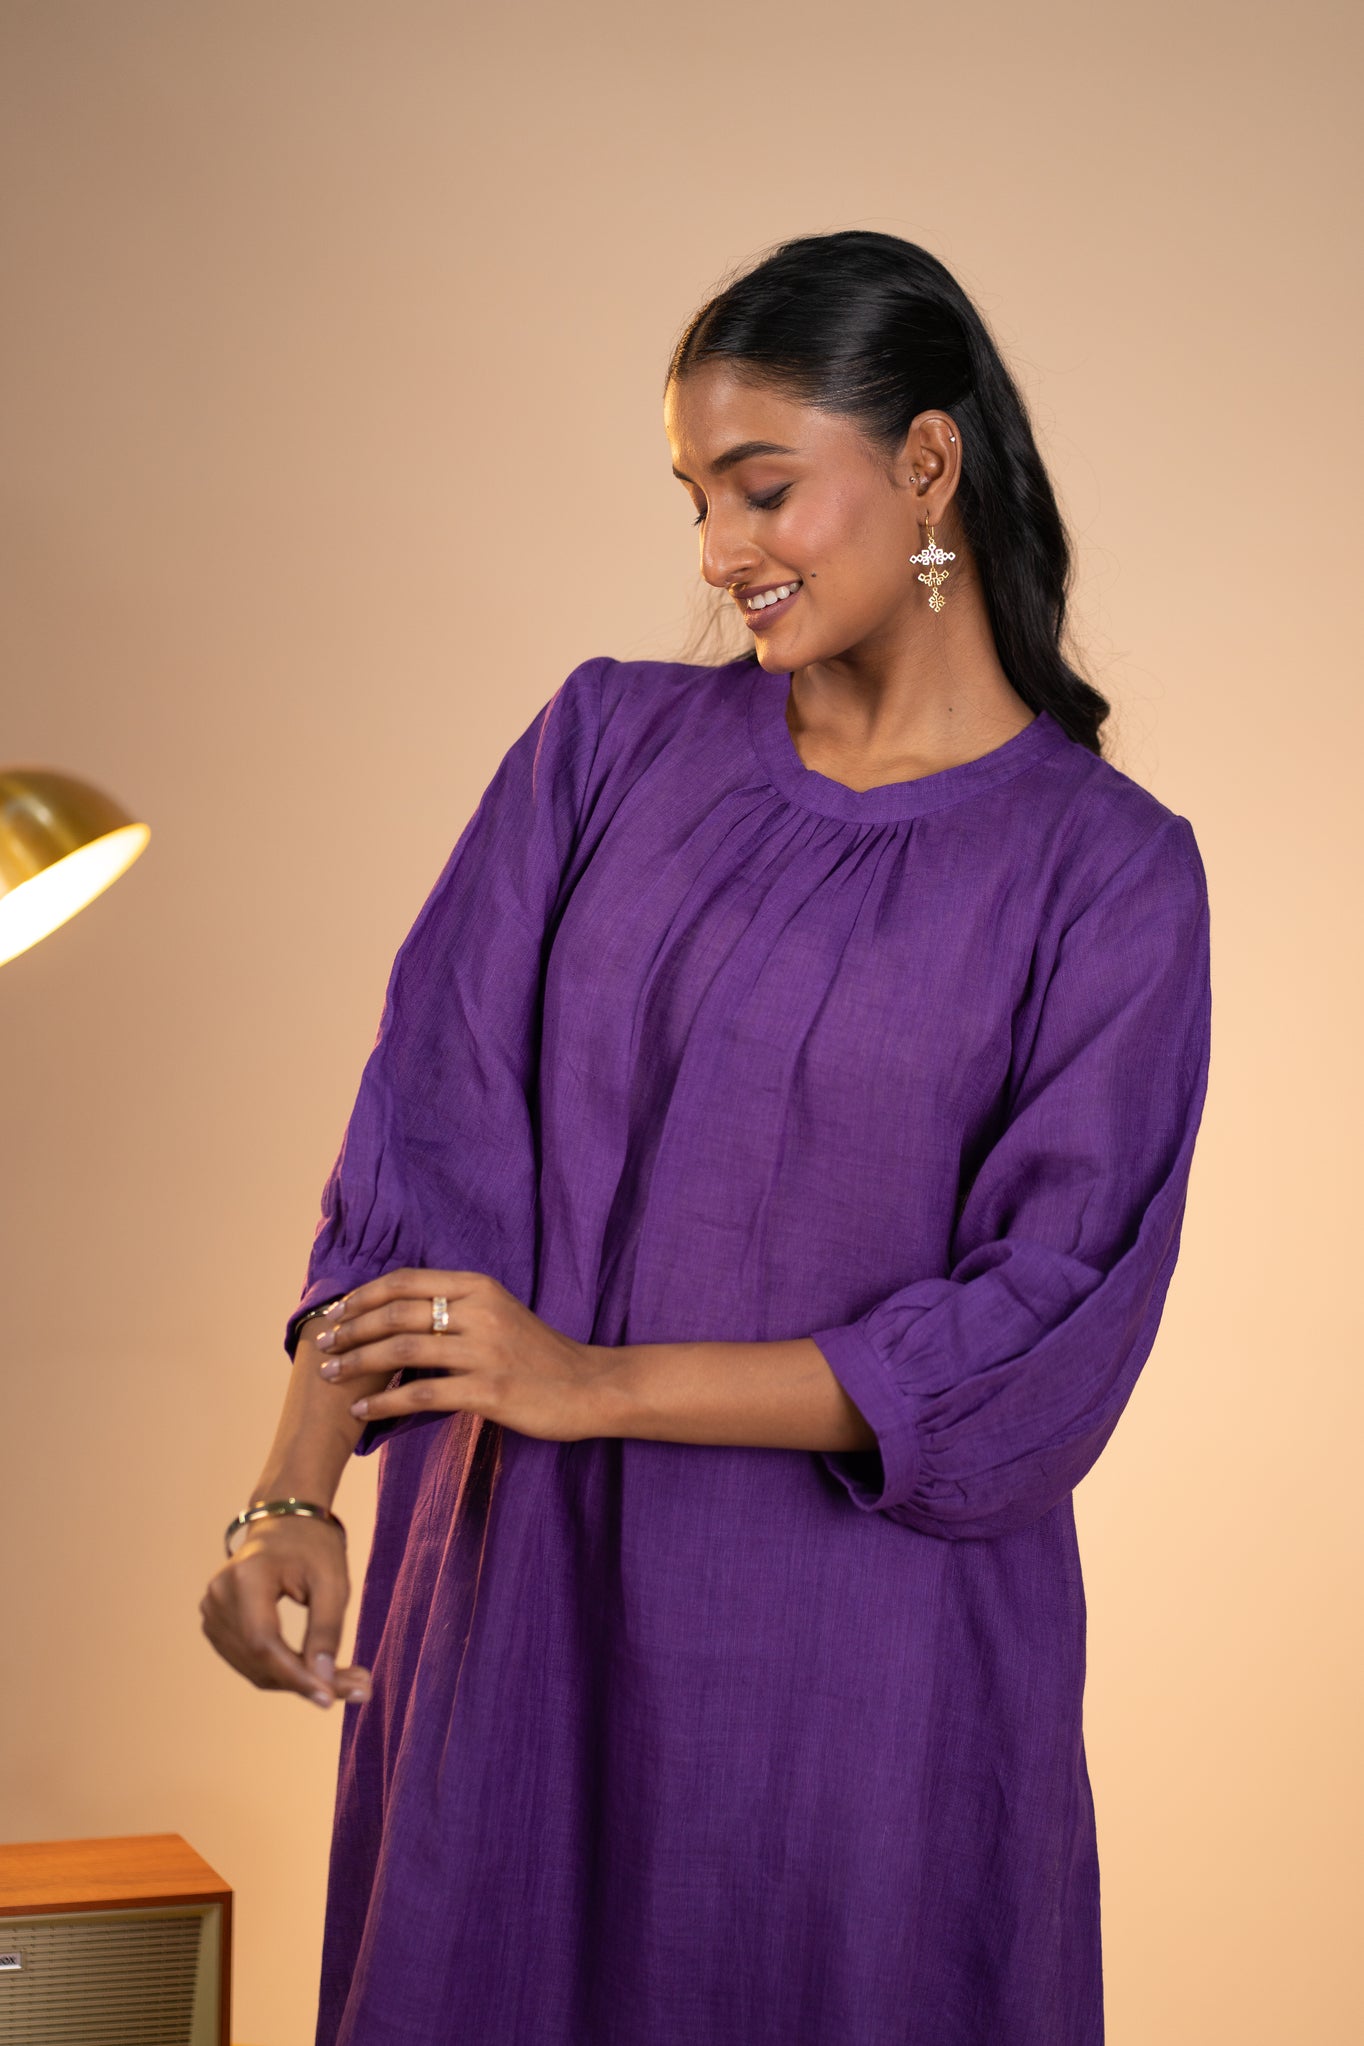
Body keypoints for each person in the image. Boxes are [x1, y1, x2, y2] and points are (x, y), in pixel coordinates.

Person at [200, 229, 1212, 2046]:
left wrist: (588, 1383)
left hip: (862, 1688)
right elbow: (420, 1145)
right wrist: (296, 1489)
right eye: (695, 500)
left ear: (925, 463)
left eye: (761, 488)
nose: (718, 552)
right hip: (514, 1618)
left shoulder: (1109, 874)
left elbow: (1038, 1332)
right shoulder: (605, 744)